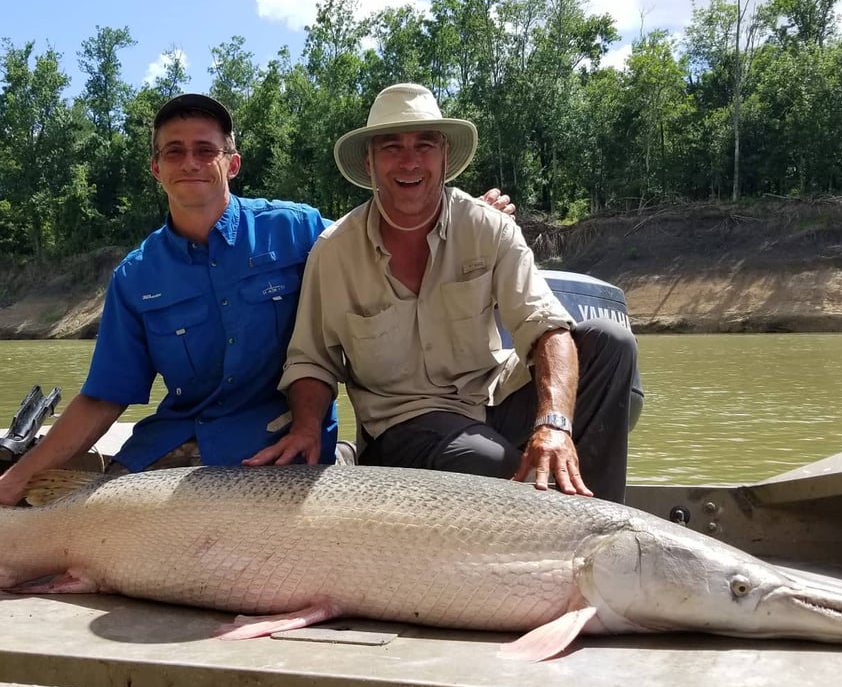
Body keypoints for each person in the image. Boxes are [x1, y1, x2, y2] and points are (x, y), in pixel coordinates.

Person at [0, 93, 513, 506]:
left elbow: (380, 239)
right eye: (174, 151)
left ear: (233, 162)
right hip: (171, 442)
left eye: (206, 149)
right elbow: (104, 396)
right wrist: (19, 477)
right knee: (87, 526)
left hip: (277, 446)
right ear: (156, 169)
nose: (191, 162)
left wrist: (465, 217)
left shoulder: (298, 231)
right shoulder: (136, 277)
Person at [245, 83, 638, 503]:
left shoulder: (490, 227)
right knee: (486, 463)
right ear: (371, 162)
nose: (410, 160)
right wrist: (306, 429)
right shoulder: (334, 250)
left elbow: (546, 327)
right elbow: (311, 359)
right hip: (401, 425)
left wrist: (554, 424)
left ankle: (598, 522)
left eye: (425, 144)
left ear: (445, 156)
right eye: (391, 146)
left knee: (609, 342)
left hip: (491, 396)